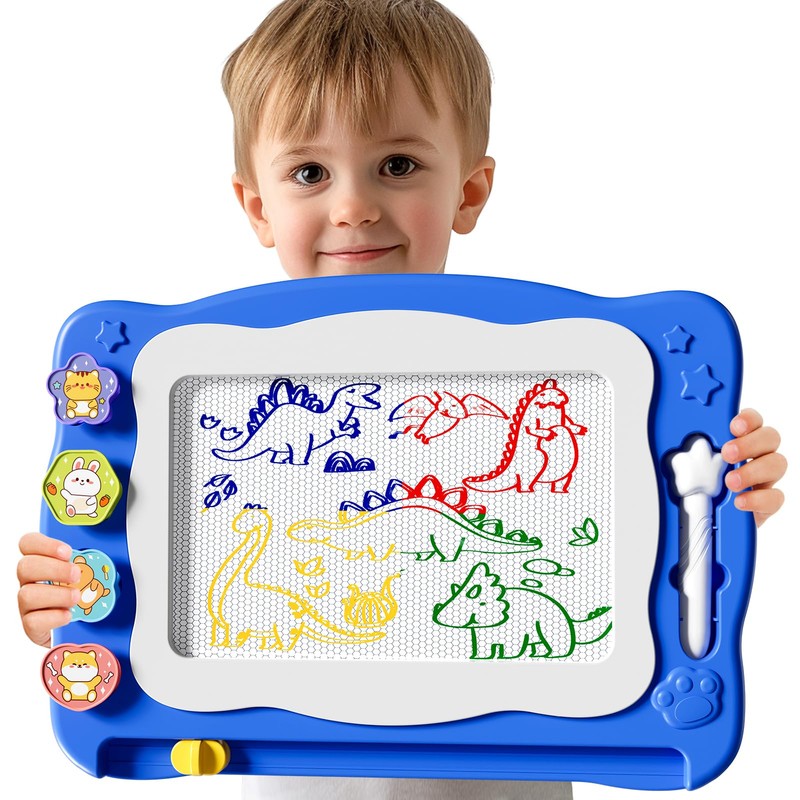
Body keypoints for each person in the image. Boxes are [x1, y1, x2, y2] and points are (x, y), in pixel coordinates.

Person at [17, 1, 787, 798]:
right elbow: (129, 576)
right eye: (309, 173)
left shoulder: (560, 375)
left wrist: (715, 507)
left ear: (470, 190)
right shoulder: (195, 395)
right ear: (258, 207)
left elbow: (637, 537)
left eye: (397, 165)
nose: (352, 205)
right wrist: (75, 599)